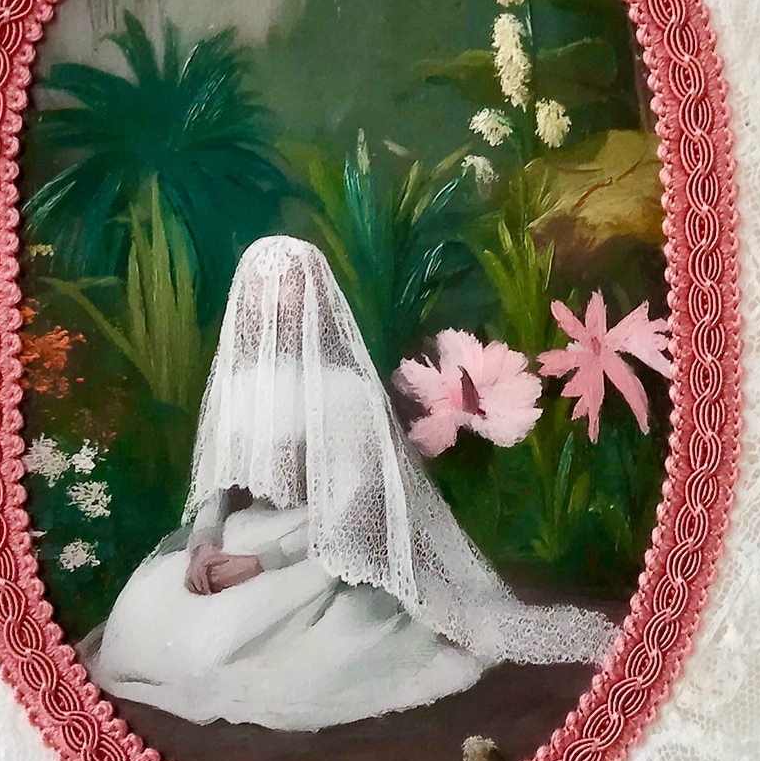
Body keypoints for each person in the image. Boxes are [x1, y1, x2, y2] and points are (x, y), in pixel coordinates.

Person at [79, 235, 613, 732]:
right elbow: (215, 489)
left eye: (288, 284)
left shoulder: (344, 392)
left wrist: (260, 562)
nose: (273, 299)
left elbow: (349, 510)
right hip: (244, 533)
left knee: (253, 650)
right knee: (148, 621)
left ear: (313, 294)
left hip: (316, 549)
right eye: (261, 285)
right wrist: (202, 546)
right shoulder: (235, 387)